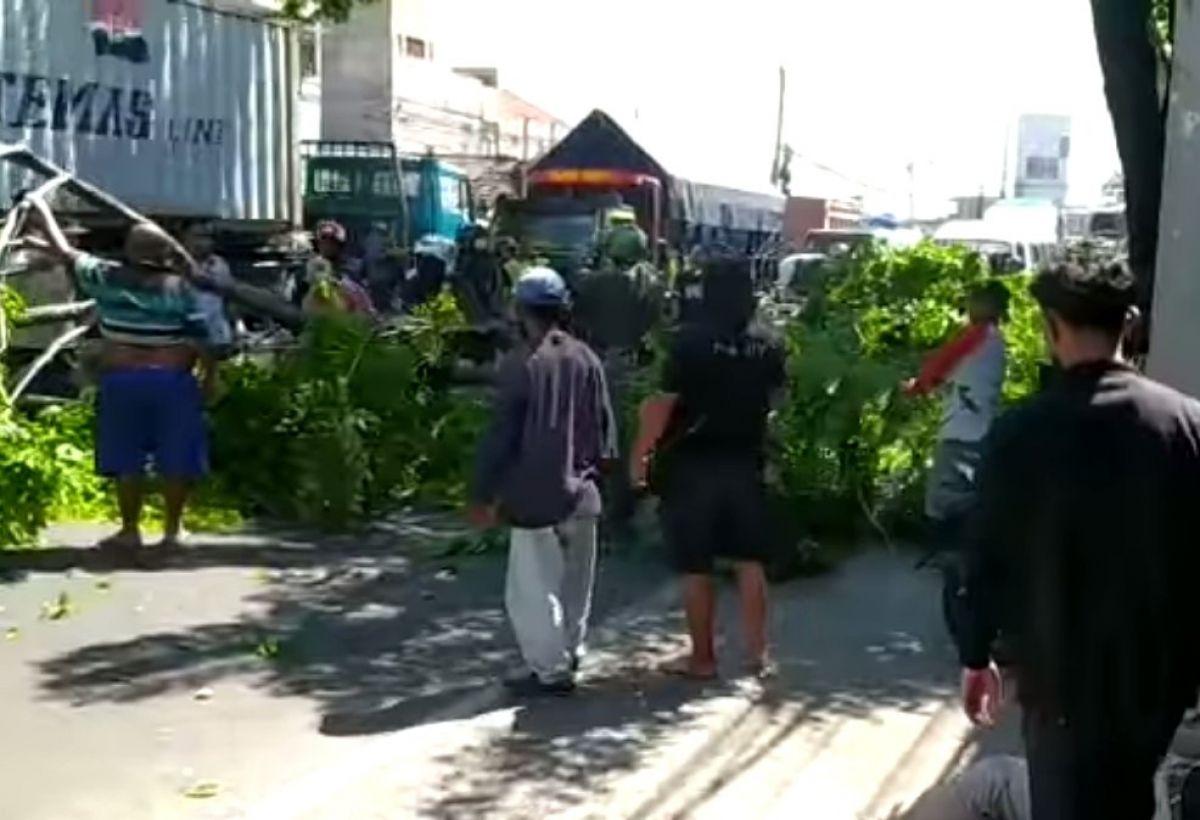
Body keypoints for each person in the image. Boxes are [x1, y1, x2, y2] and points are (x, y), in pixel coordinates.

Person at [958, 260, 1200, 819]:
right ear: (1130, 324)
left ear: (1050, 328)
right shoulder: (1185, 425)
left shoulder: (1021, 433)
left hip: (1059, 674)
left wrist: (976, 653)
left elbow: (982, 556)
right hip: (1157, 678)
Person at [28, 198, 213, 561]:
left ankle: (130, 532)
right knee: (176, 457)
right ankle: (172, 532)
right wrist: (210, 378)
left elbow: (66, 252)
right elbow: (202, 342)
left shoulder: (105, 278)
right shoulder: (180, 290)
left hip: (122, 381)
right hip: (171, 382)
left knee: (127, 458)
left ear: (128, 251)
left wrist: (41, 209)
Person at [630, 260, 785, 679]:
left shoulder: (689, 343)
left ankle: (703, 659)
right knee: (750, 560)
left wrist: (639, 462)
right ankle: (758, 654)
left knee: (696, 565)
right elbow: (775, 408)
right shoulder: (768, 344)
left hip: (693, 466)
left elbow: (661, 409)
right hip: (746, 463)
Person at [469, 267, 617, 697]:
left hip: (536, 495)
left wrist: (483, 493)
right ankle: (569, 653)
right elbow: (607, 431)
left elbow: (502, 436)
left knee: (533, 590)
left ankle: (549, 671)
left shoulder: (522, 363)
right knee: (575, 584)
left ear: (519, 310)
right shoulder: (587, 357)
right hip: (583, 494)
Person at [904, 280, 1009, 644]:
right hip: (980, 432)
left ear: (984, 305)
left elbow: (940, 365)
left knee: (943, 500)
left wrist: (917, 385)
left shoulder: (977, 336)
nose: (967, 304)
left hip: (960, 434)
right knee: (965, 494)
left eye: (972, 299)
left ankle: (954, 558)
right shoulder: (995, 341)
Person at [182, 222, 237, 355]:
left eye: (207, 237)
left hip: (216, 336)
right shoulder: (175, 264)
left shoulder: (219, 264)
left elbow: (229, 299)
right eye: (197, 236)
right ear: (184, 238)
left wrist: (234, 331)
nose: (204, 242)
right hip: (184, 338)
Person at [302, 220, 374, 317]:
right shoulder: (309, 268)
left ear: (340, 245)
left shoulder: (355, 267)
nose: (327, 246)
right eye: (324, 242)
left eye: (332, 242)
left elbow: (363, 297)